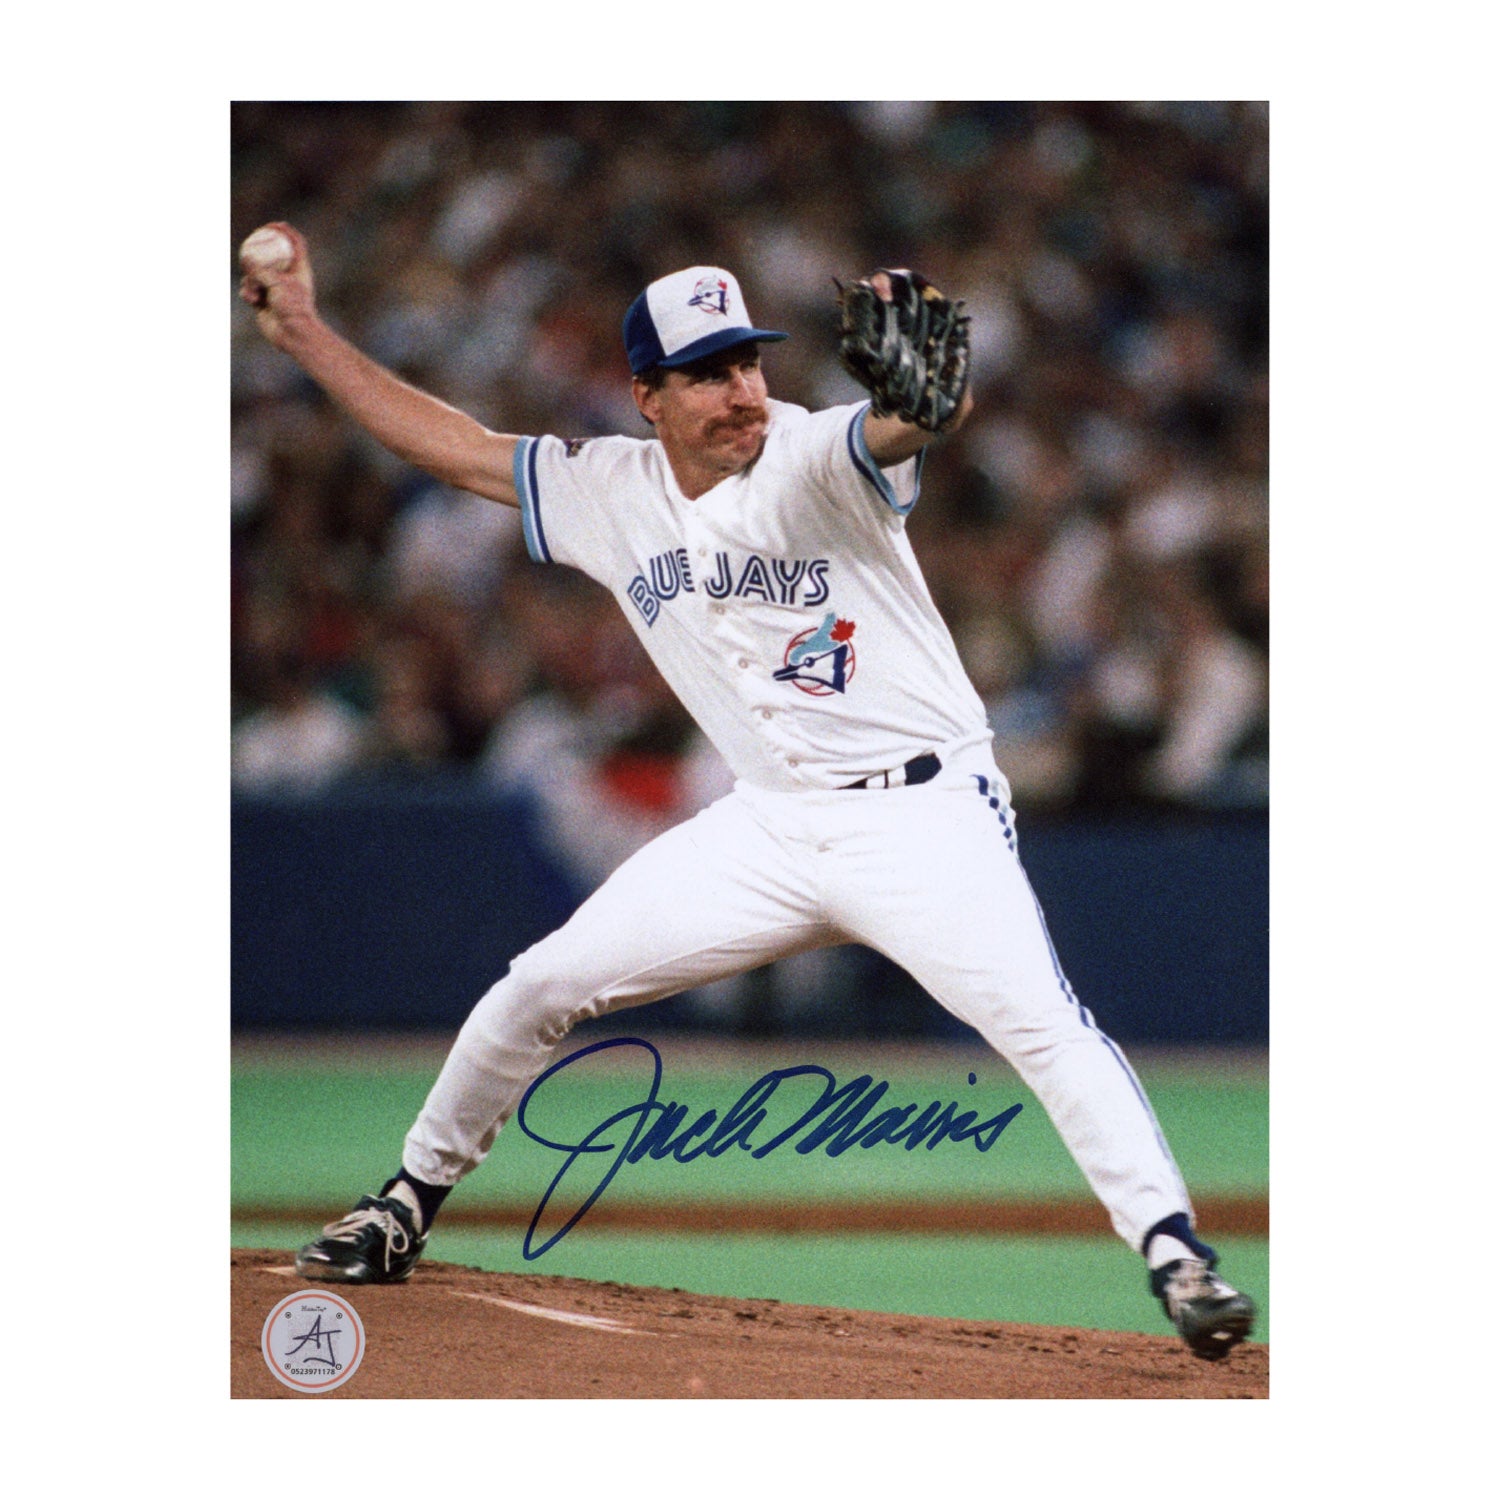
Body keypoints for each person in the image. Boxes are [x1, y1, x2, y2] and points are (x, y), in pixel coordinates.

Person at [239, 224, 1255, 1360]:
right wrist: (306, 334)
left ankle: (1175, 1254)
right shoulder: (607, 490)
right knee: (539, 985)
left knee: (1042, 1026)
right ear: (646, 397)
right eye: (706, 373)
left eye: (748, 363)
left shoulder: (813, 453)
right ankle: (404, 1202)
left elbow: (905, 421)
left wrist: (931, 406)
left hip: (921, 817)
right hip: (768, 825)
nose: (741, 392)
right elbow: (459, 451)